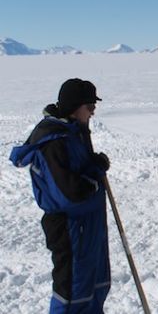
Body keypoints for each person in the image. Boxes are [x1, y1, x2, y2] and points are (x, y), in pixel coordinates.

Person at [9, 78, 111, 313]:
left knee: (95, 287)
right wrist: (94, 178)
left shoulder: (74, 132)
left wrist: (93, 164)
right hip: (71, 227)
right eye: (90, 107)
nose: (93, 112)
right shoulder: (54, 141)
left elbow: (78, 169)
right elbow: (68, 192)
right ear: (76, 106)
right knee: (73, 295)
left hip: (87, 225)